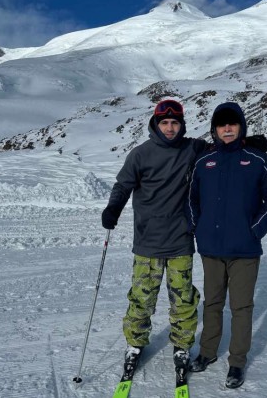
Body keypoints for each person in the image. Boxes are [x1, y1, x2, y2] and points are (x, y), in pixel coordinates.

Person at [101, 99, 206, 375]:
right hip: (147, 242)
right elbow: (123, 185)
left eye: (175, 123)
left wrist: (248, 143)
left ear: (182, 125)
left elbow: (222, 147)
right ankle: (135, 344)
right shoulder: (140, 154)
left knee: (183, 299)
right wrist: (113, 208)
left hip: (181, 240)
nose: (170, 128)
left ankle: (182, 345)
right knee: (141, 299)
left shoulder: (192, 149)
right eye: (165, 123)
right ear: (156, 124)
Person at [187, 102, 267, 389]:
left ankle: (237, 361)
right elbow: (191, 199)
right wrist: (197, 228)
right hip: (211, 248)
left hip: (244, 249)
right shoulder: (204, 162)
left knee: (241, 307)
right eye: (222, 124)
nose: (227, 128)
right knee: (212, 303)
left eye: (232, 123)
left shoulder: (258, 159)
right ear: (214, 129)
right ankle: (207, 352)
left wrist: (255, 231)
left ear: (241, 126)